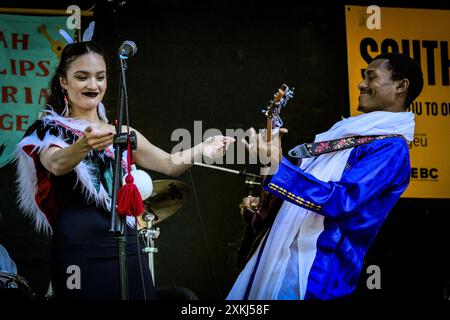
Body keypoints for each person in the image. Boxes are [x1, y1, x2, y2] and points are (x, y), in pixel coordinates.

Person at [15, 40, 235, 300]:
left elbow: (168, 163)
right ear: (64, 81)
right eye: (82, 77)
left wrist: (202, 149)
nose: (93, 85)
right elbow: (55, 163)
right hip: (78, 248)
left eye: (100, 77)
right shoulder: (49, 130)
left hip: (126, 244)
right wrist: (83, 145)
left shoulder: (122, 133)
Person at [227, 52, 423, 300]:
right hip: (284, 258)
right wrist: (265, 207)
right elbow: (301, 198)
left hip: (315, 269)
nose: (361, 84)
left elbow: (342, 201)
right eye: (363, 76)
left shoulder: (390, 148)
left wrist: (279, 167)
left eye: (371, 77)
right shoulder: (343, 135)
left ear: (400, 86)